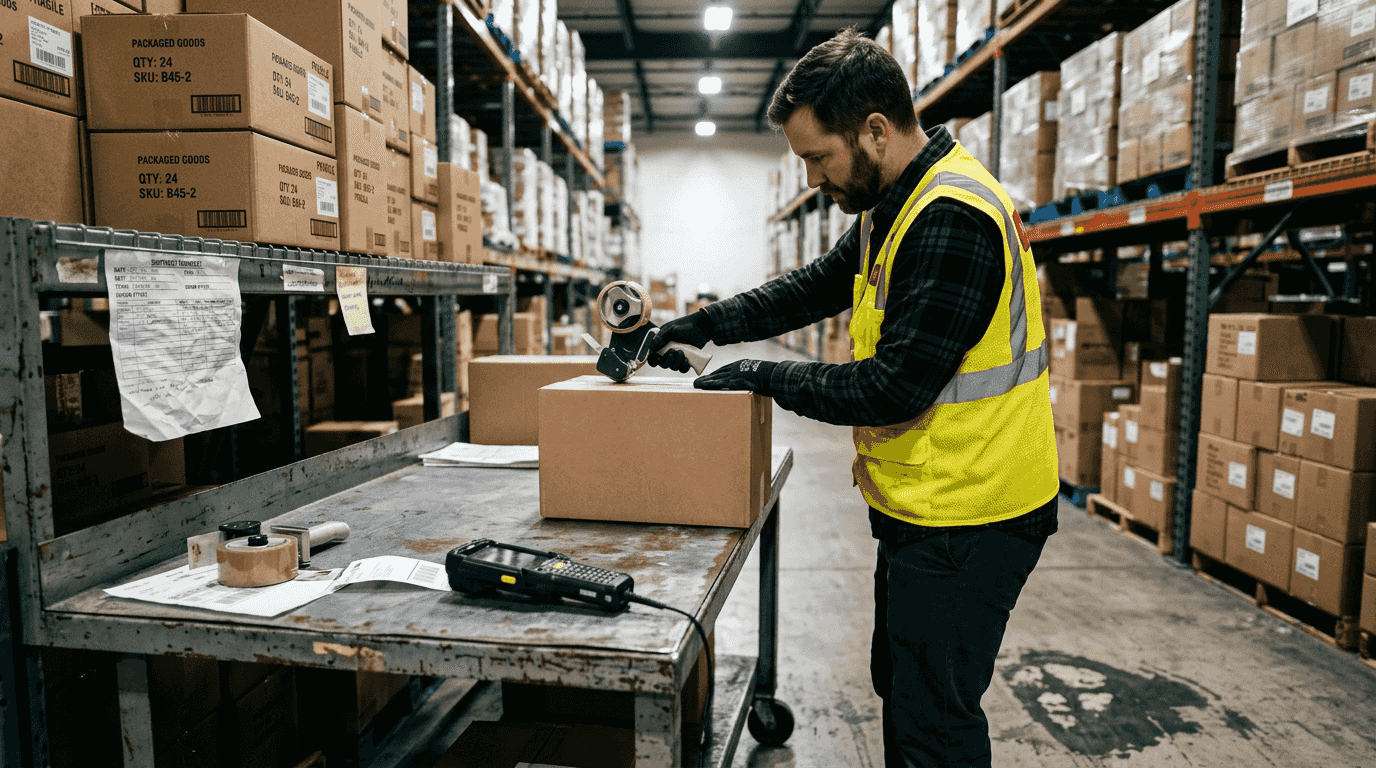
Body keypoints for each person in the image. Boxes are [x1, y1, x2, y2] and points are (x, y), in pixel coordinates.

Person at [646, 27, 1059, 768]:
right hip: (927, 503)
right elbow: (811, 288)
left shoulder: (950, 217)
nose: (811, 178)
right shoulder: (892, 204)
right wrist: (704, 324)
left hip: (973, 515)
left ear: (874, 130)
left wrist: (762, 376)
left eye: (817, 157)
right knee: (901, 686)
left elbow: (892, 387)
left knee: (933, 719)